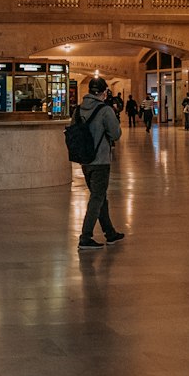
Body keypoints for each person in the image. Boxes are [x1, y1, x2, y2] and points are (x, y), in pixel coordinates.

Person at [76, 76, 124, 251]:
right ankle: (85, 237)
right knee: (97, 197)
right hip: (101, 160)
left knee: (100, 195)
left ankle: (110, 233)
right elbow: (116, 134)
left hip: (85, 160)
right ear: (104, 92)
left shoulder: (79, 109)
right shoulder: (105, 110)